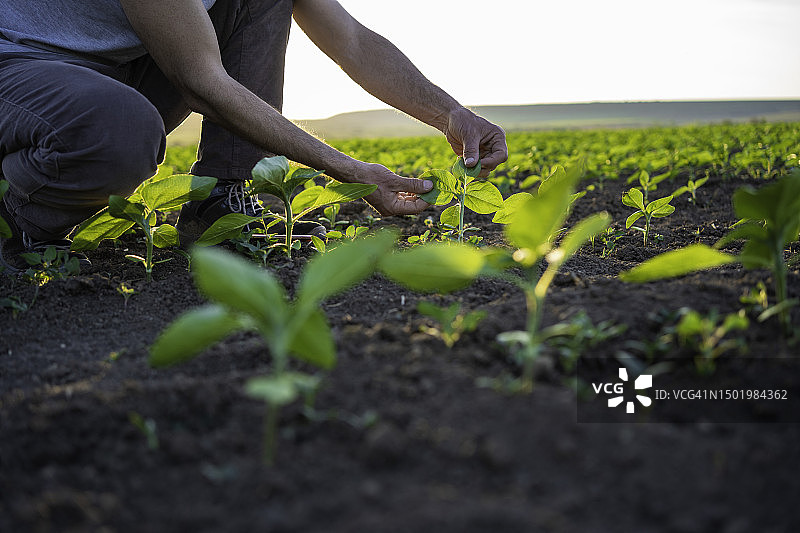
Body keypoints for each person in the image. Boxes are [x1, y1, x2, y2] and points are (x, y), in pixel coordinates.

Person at [0, 0, 508, 272]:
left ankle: (221, 202)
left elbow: (351, 39)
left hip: (109, 70)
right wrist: (354, 173)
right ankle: (15, 219)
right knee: (117, 129)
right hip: (21, 70)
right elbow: (205, 85)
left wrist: (450, 114)